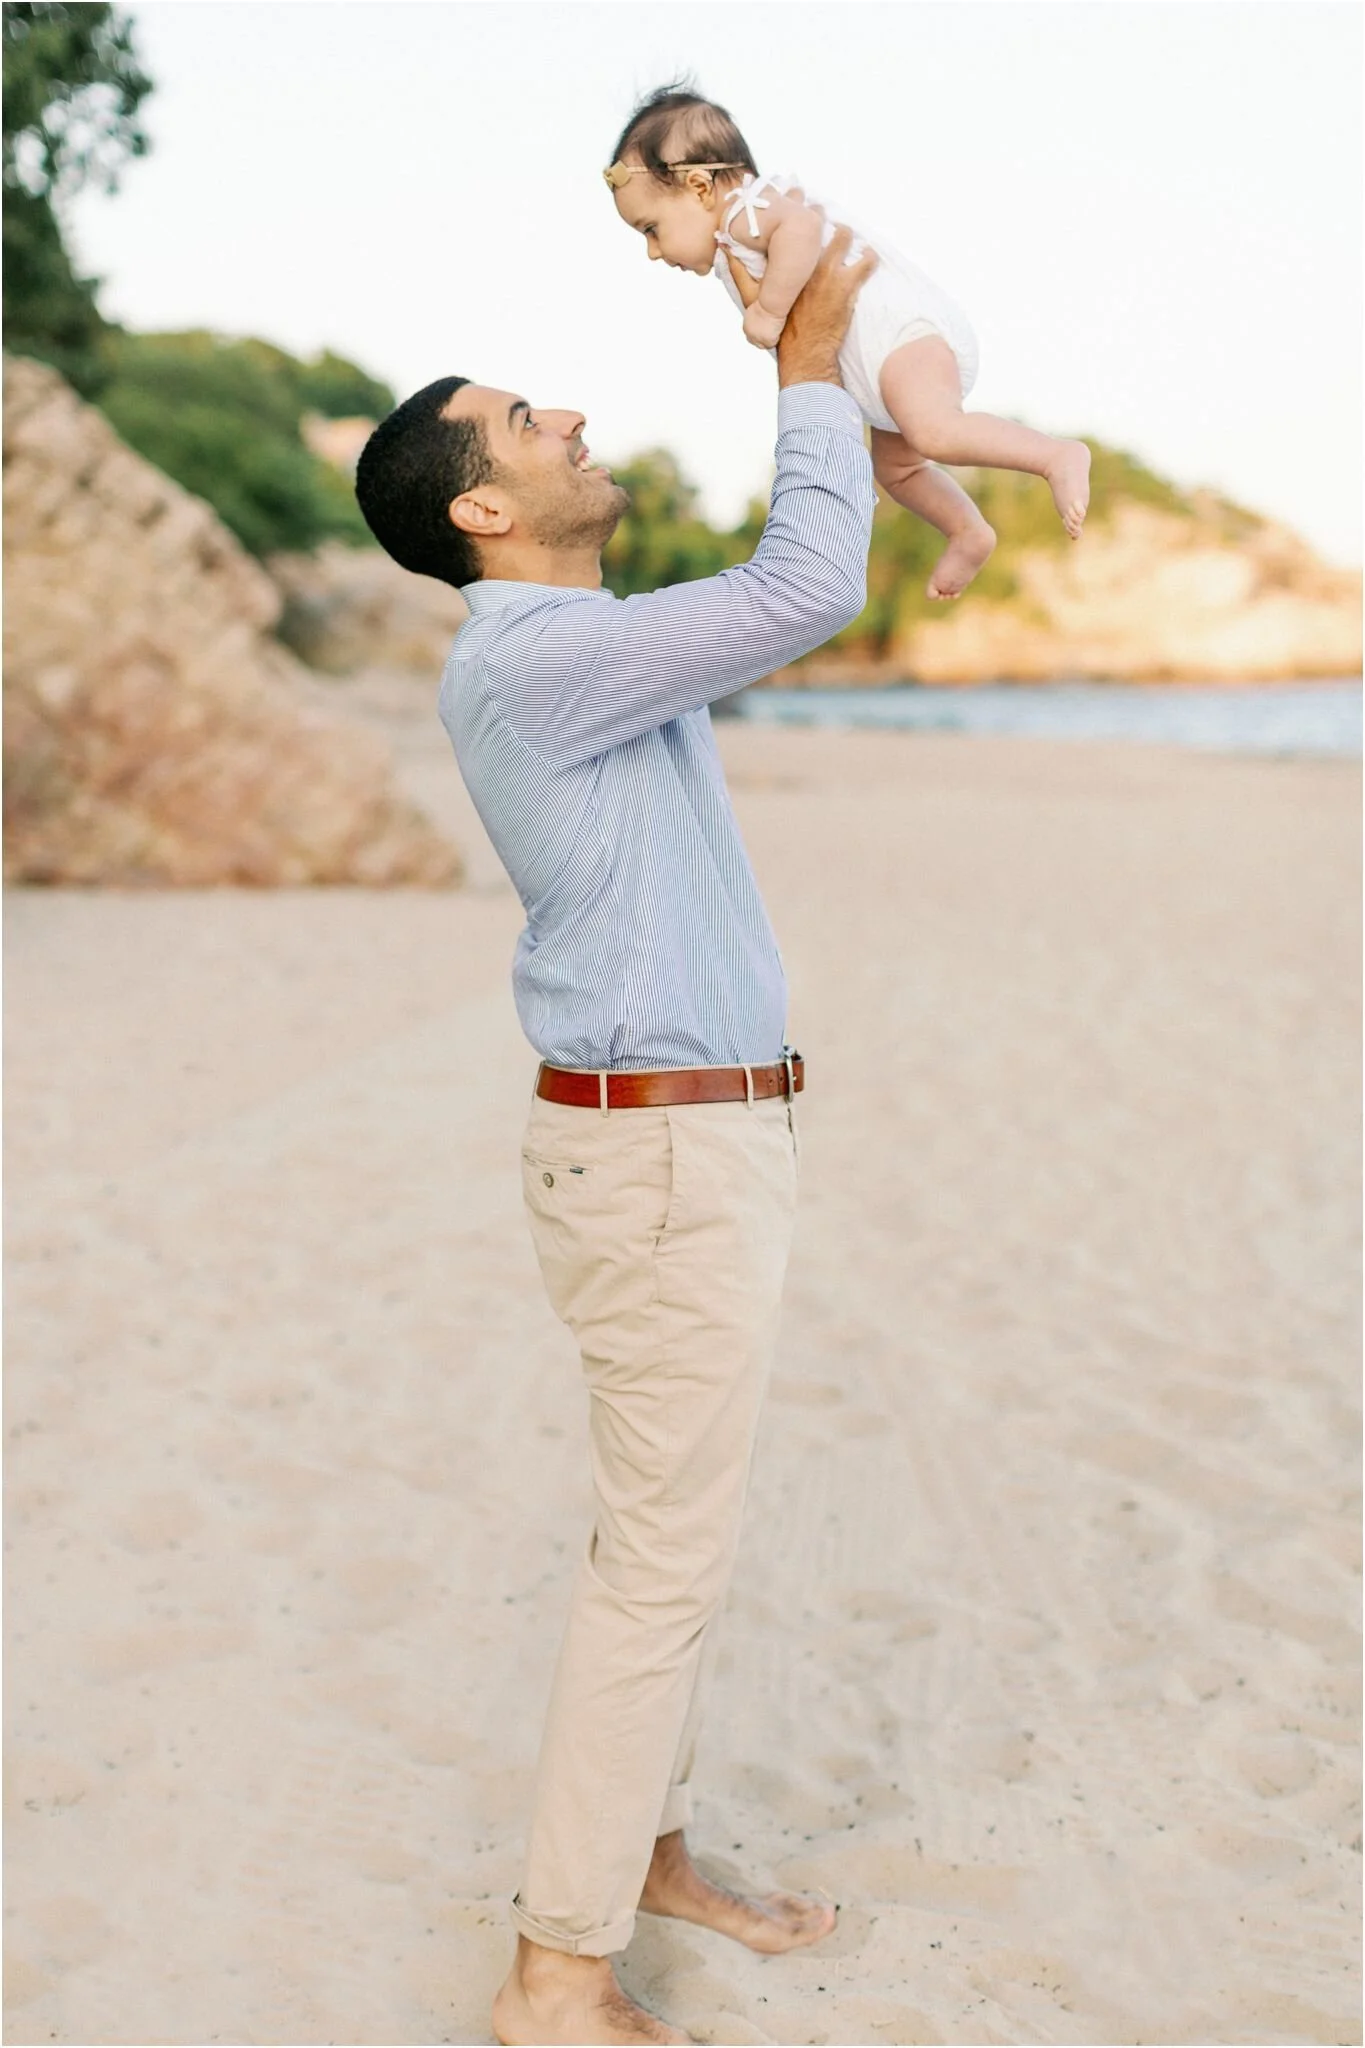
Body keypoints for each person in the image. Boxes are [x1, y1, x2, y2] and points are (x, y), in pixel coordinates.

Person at [354, 227, 877, 2047]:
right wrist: (806, 350)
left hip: (686, 1148)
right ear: (481, 512)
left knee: (676, 1542)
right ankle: (556, 1974)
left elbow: (788, 571)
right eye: (520, 417)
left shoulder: (583, 648)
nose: (565, 412)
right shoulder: (538, 661)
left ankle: (641, 1851)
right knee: (657, 1561)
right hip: (657, 1164)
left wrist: (837, 396)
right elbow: (807, 580)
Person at [605, 82, 1092, 602]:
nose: (654, 252)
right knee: (898, 469)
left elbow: (803, 229)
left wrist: (768, 311)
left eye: (651, 229)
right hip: (874, 370)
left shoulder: (751, 209)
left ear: (701, 187)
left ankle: (1055, 456)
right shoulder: (734, 232)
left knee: (934, 432)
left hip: (899, 336)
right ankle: (967, 530)